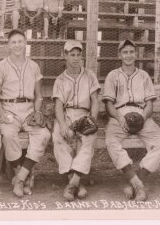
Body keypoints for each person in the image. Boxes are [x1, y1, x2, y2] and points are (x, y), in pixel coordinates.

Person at [102, 39, 160, 201]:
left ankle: (136, 179)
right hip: (119, 114)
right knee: (111, 142)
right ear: (119, 55)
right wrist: (119, 118)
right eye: (125, 52)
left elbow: (150, 104)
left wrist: (143, 117)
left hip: (141, 112)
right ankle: (138, 185)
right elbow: (109, 105)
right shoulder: (113, 75)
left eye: (131, 52)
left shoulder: (144, 75)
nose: (129, 55)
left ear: (136, 55)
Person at [0, 30, 51, 198]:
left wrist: (38, 111)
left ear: (25, 43)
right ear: (8, 45)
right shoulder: (1, 66)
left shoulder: (33, 66)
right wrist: (2, 113)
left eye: (20, 41)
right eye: (13, 42)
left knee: (44, 134)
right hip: (8, 108)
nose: (17, 45)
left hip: (28, 110)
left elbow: (39, 95)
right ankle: (23, 173)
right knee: (9, 135)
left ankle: (19, 178)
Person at [51, 40, 100, 201]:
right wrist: (63, 125)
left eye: (78, 55)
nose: (76, 58)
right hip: (67, 114)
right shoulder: (60, 79)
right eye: (72, 55)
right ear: (65, 56)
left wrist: (92, 119)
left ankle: (73, 184)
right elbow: (58, 106)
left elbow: (95, 101)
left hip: (84, 114)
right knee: (58, 137)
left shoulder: (89, 75)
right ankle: (76, 180)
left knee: (88, 140)